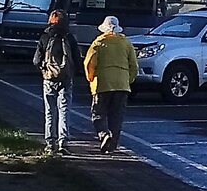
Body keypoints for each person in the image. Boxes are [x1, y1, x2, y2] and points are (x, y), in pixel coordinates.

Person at [84, 15, 138, 154]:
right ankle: (112, 145)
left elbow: (89, 63)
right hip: (122, 84)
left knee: (98, 114)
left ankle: (104, 134)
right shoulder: (126, 43)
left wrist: (91, 79)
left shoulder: (98, 43)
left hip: (103, 84)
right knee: (117, 116)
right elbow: (134, 66)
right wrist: (128, 80)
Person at [33, 10, 82, 155]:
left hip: (49, 78)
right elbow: (77, 60)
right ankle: (63, 142)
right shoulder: (70, 38)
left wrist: (43, 69)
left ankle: (50, 143)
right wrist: (73, 73)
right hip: (66, 79)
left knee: (49, 110)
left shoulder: (44, 37)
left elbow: (36, 60)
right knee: (64, 110)